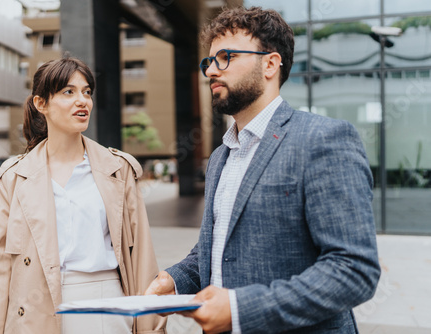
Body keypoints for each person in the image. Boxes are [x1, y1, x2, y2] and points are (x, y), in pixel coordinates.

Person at [145, 7, 380, 334]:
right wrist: (174, 280)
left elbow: (354, 270)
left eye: (225, 57)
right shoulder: (219, 158)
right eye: (209, 61)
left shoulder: (322, 140)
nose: (211, 70)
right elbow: (217, 247)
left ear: (270, 64)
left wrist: (241, 309)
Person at [0, 57, 166, 334]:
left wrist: (153, 328)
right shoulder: (14, 176)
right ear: (41, 104)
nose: (82, 101)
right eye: (69, 92)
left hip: (106, 305)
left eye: (87, 92)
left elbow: (141, 258)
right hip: (34, 311)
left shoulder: (118, 169)